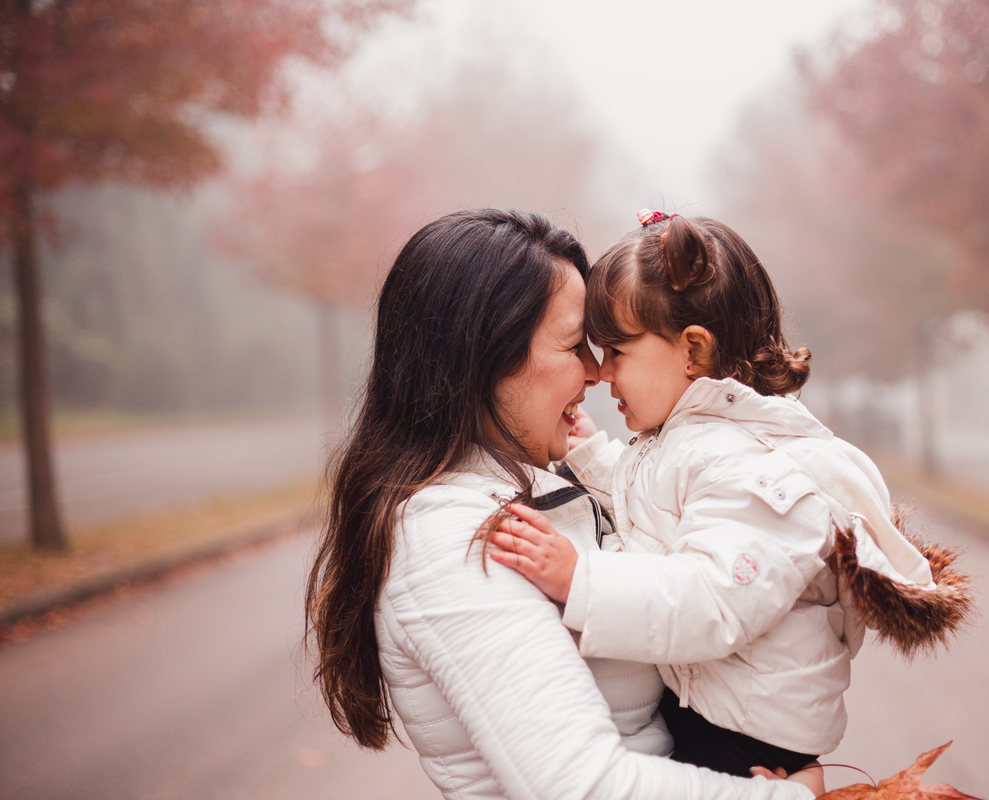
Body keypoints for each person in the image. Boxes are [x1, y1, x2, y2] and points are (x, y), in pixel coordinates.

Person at [304, 209, 819, 800]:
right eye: (577, 345)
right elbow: (582, 785)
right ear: (485, 358)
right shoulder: (453, 537)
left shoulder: (521, 492)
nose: (597, 373)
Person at [491, 211, 973, 780]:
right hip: (712, 706)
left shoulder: (753, 465)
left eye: (617, 351)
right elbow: (661, 514)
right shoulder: (688, 439)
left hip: (745, 739)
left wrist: (581, 580)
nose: (602, 374)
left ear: (692, 348)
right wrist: (595, 456)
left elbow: (712, 600)